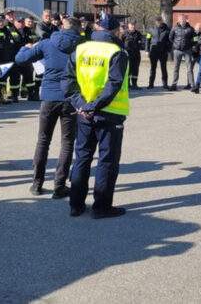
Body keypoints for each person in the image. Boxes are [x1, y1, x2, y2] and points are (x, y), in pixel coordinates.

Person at [61, 15, 130, 219]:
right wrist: (93, 106)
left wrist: (82, 104)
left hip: (84, 113)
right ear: (116, 31)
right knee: (107, 161)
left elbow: (67, 81)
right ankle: (101, 207)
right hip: (109, 114)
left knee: (82, 157)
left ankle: (76, 204)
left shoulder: (80, 49)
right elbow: (113, 85)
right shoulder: (117, 52)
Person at [15, 16, 83, 197]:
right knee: (67, 143)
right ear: (79, 29)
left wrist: (25, 47)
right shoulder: (83, 46)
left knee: (43, 140)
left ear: (62, 26)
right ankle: (59, 185)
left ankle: (36, 183)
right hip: (71, 98)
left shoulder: (47, 43)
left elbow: (20, 59)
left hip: (49, 97)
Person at [169, 14, 195, 91]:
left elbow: (195, 38)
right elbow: (170, 37)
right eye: (181, 20)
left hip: (187, 51)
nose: (182, 21)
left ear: (186, 20)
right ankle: (174, 85)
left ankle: (192, 85)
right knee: (176, 68)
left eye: (184, 19)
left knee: (189, 68)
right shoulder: (174, 28)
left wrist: (191, 45)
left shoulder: (190, 29)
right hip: (177, 51)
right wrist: (175, 44)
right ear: (178, 20)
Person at [147, 17, 170, 89]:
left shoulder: (167, 29)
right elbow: (148, 40)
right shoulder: (151, 29)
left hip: (163, 52)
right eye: (157, 22)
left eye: (160, 21)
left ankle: (165, 84)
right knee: (153, 68)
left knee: (164, 68)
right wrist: (147, 50)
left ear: (162, 21)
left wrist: (168, 49)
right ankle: (151, 84)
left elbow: (170, 41)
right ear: (155, 22)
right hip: (153, 52)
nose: (158, 23)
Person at [121, 22, 144, 90]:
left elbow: (141, 42)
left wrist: (139, 47)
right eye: (131, 25)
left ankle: (135, 84)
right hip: (128, 54)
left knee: (135, 69)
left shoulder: (138, 33)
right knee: (128, 69)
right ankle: (127, 85)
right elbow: (121, 42)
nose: (133, 27)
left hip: (136, 54)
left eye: (134, 25)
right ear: (128, 26)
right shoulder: (124, 33)